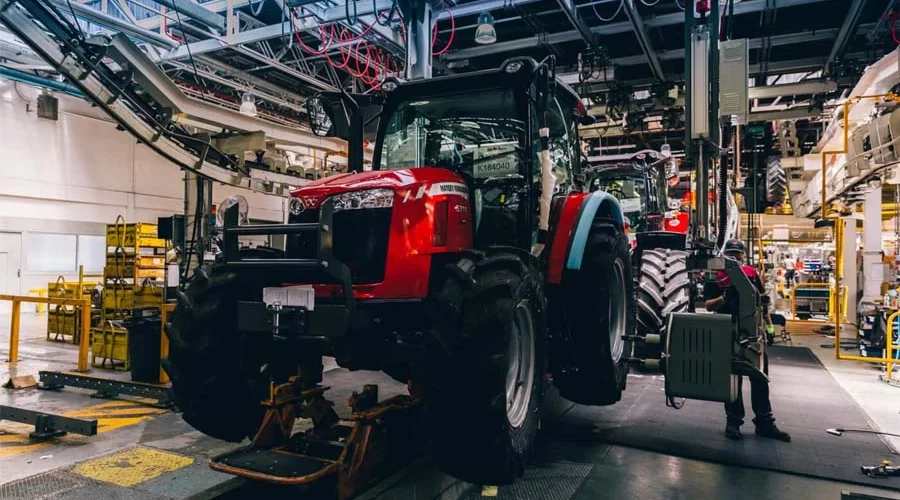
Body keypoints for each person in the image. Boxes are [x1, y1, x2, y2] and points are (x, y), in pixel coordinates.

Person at [703, 239, 792, 442]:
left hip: (752, 330)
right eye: (731, 255)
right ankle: (733, 421)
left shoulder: (751, 274)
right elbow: (709, 305)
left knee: (760, 377)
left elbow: (762, 301)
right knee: (732, 377)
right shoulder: (715, 276)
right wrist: (724, 298)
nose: (735, 258)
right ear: (725, 256)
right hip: (727, 330)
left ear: (743, 256)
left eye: (737, 255)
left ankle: (764, 422)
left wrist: (769, 326)